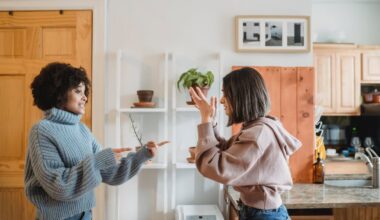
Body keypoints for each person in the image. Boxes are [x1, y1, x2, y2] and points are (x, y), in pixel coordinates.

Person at [24, 62, 168, 220]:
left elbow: (110, 172)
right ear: (59, 94)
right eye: (78, 91)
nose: (85, 97)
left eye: (85, 92)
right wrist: (98, 161)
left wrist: (141, 156)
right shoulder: (42, 131)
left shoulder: (83, 130)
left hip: (86, 215)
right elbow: (58, 186)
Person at [189, 67, 301, 220]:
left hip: (263, 215)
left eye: (225, 94)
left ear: (241, 96)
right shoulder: (260, 127)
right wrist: (211, 122)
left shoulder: (258, 133)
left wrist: (205, 120)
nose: (222, 100)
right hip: (261, 212)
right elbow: (227, 151)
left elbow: (214, 166)